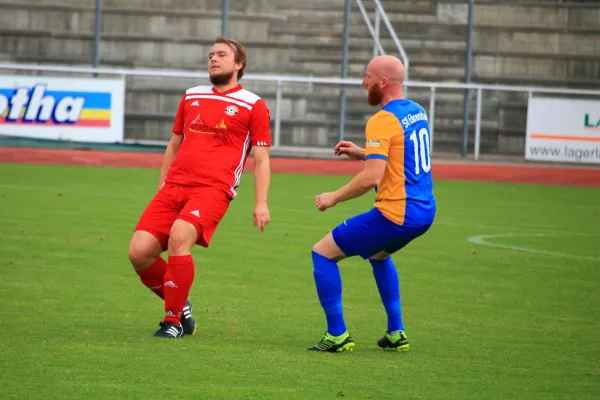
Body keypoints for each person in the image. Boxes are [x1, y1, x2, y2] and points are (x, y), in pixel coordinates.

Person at [128, 36, 272, 339]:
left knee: (180, 236)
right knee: (139, 253)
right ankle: (181, 304)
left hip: (212, 190)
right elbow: (173, 144)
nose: (213, 59)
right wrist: (162, 183)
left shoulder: (253, 104)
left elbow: (261, 161)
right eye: (210, 55)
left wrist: (261, 203)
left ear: (239, 64)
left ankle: (173, 321)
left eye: (221, 54)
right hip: (174, 187)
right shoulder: (191, 95)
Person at [308, 55, 436, 352]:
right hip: (424, 211)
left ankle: (337, 335)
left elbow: (371, 178)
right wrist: (362, 152)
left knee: (322, 253)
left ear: (383, 81)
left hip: (396, 212)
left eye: (368, 76)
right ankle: (396, 332)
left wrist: (333, 197)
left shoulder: (381, 120)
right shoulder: (417, 111)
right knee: (379, 255)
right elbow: (400, 155)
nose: (363, 82)